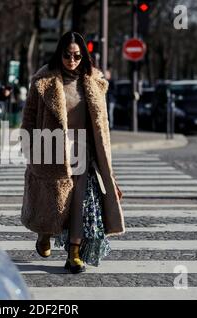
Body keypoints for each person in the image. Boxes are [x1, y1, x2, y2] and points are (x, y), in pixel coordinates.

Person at [20, 31, 124, 274]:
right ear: (60, 54)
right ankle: (44, 233)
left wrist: (106, 165)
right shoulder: (43, 81)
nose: (72, 60)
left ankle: (74, 253)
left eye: (77, 55)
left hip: (83, 150)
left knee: (79, 202)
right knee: (54, 202)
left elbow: (101, 124)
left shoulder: (93, 81)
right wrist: (31, 149)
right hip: (51, 148)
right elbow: (29, 118)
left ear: (83, 55)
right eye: (67, 55)